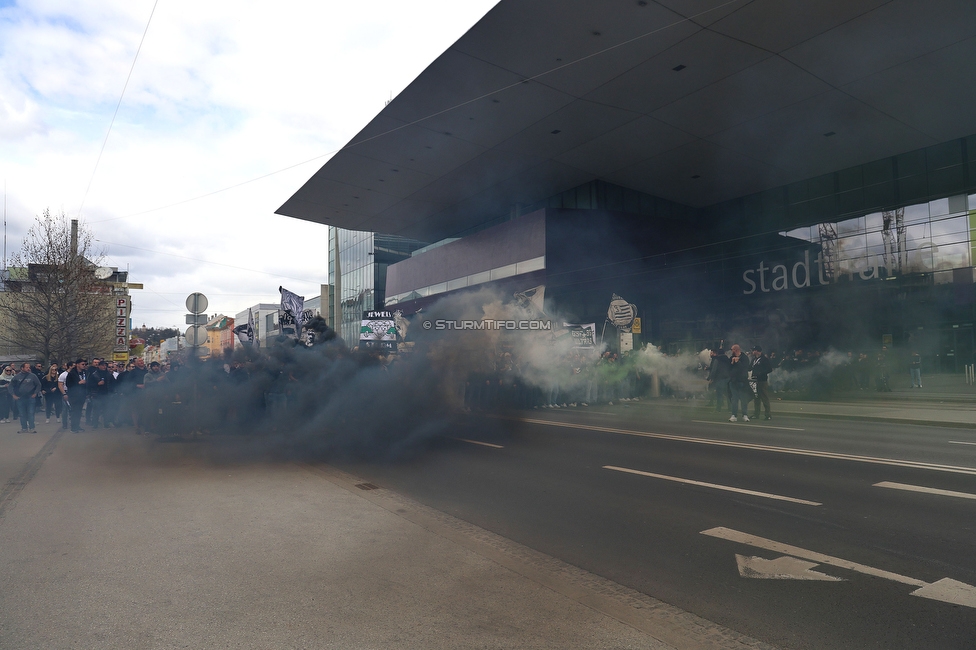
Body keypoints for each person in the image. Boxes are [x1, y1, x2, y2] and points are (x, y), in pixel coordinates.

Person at [9, 362, 42, 433]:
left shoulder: (33, 376)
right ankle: (24, 428)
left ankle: (32, 428)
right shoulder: (17, 377)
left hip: (30, 397)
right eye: (26, 367)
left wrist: (35, 393)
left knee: (31, 413)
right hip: (20, 398)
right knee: (22, 413)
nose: (28, 368)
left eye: (29, 367)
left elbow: (38, 385)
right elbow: (10, 386)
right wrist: (13, 395)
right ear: (22, 368)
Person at [727, 344, 751, 422]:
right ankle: (734, 415)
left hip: (742, 381)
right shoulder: (731, 358)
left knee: (743, 399)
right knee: (734, 399)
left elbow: (744, 369)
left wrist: (738, 362)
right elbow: (729, 369)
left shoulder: (744, 358)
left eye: (732, 350)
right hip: (733, 381)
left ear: (736, 350)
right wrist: (732, 363)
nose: (731, 351)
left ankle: (745, 415)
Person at [65, 358, 88, 433]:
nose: (84, 366)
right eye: (82, 364)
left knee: (79, 411)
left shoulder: (85, 373)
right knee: (75, 411)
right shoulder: (72, 373)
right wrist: (78, 383)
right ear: (77, 365)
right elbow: (68, 384)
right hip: (74, 395)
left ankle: (77, 426)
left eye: (84, 364)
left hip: (82, 395)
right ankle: (73, 427)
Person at [750, 345, 772, 420]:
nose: (753, 352)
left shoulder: (764, 359)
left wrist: (761, 373)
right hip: (755, 381)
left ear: (757, 351)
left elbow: (769, 369)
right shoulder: (753, 359)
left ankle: (768, 414)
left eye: (754, 350)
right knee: (756, 398)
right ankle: (756, 414)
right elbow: (750, 367)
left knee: (764, 397)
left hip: (762, 381)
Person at [707, 347, 731, 412]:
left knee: (719, 395)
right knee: (728, 394)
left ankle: (718, 408)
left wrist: (711, 378)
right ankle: (730, 408)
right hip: (728, 378)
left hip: (719, 379)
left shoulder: (717, 360)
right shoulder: (728, 359)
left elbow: (714, 370)